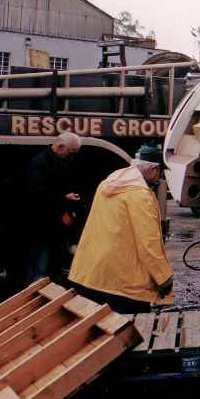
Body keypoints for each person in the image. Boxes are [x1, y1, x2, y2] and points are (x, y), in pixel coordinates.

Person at [67, 145, 173, 313]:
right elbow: (148, 242)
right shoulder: (140, 195)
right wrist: (163, 277)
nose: (159, 178)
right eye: (160, 172)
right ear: (152, 169)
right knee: (129, 331)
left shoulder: (107, 184)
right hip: (123, 283)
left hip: (93, 272)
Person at [23, 132, 82, 286]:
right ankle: (34, 301)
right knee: (40, 267)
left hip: (52, 225)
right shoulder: (39, 164)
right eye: (71, 153)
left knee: (51, 267)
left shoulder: (52, 161)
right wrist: (64, 198)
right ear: (61, 147)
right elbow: (36, 194)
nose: (72, 157)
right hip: (42, 225)